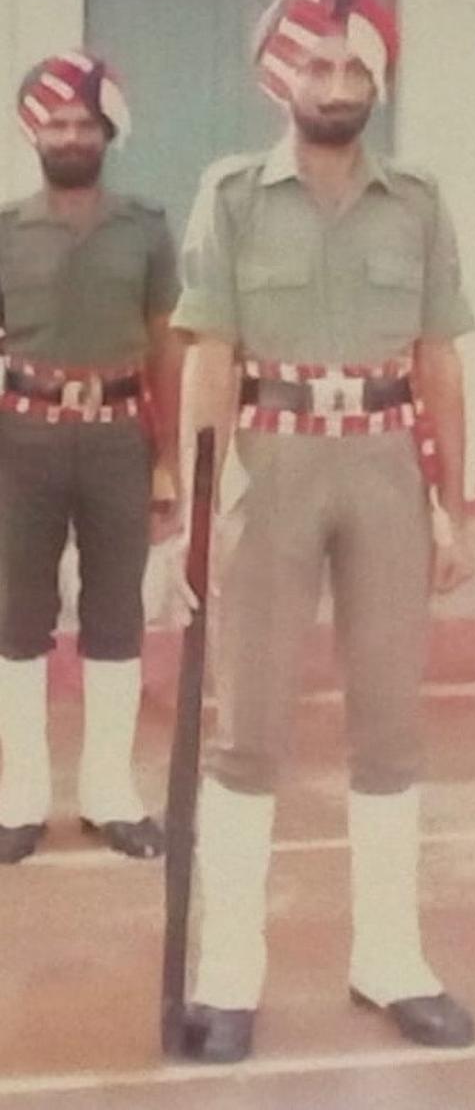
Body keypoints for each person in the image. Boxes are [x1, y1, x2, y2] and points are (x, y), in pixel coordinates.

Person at [171, 0, 475, 1063]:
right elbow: (210, 357)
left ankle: (390, 958)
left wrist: (454, 505)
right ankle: (228, 975)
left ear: (377, 83)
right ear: (281, 76)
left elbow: (440, 361)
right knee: (246, 730)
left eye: (355, 68)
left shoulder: (420, 201)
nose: (337, 84)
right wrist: (196, 514)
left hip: (387, 467)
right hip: (272, 465)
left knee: (389, 725)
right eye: (318, 64)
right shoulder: (232, 196)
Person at [0, 51, 182, 863]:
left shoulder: (145, 228)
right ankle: (19, 798)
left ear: (107, 134)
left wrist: (167, 458)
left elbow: (166, 346)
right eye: (57, 124)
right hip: (22, 439)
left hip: (118, 437)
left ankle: (110, 795)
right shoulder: (6, 230)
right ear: (34, 132)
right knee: (17, 617)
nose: (71, 136)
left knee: (116, 614)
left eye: (85, 124)